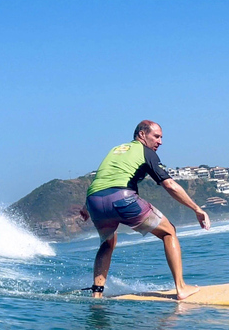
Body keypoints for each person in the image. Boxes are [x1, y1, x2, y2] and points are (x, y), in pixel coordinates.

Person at [79, 120, 210, 300]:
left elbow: (103, 179)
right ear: (142, 134)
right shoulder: (145, 152)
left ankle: (97, 293)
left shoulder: (116, 150)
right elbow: (170, 185)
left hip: (93, 201)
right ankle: (181, 288)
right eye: (156, 136)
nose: (160, 142)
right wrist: (197, 209)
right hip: (122, 199)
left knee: (107, 243)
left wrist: (86, 208)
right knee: (169, 231)